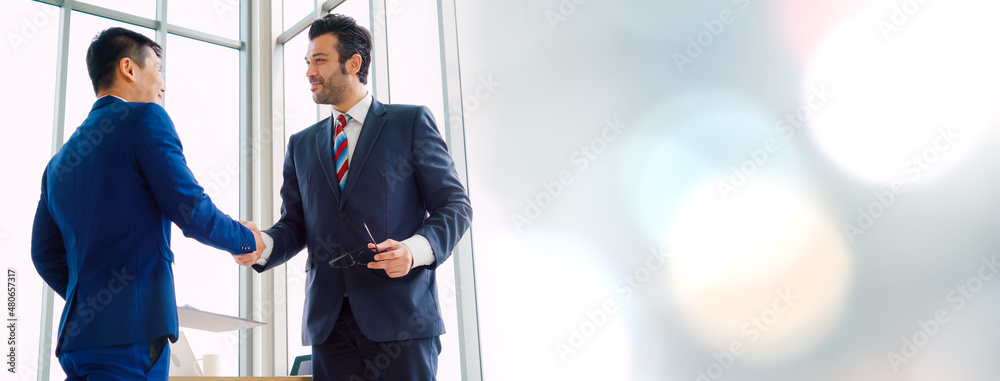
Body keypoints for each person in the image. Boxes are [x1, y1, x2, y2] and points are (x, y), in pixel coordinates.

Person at [238, 14, 472, 381]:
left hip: (401, 321)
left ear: (354, 63)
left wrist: (415, 250)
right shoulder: (302, 145)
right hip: (329, 327)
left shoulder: (409, 124)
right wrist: (262, 243)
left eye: (320, 60)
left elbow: (455, 206)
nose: (309, 72)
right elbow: (296, 224)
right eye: (307, 62)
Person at [31, 27, 265, 380]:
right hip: (131, 342)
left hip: (78, 342)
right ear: (128, 68)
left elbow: (44, 255)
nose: (163, 84)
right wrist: (247, 240)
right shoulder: (144, 119)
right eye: (157, 69)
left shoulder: (58, 163)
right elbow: (190, 208)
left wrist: (97, 300)